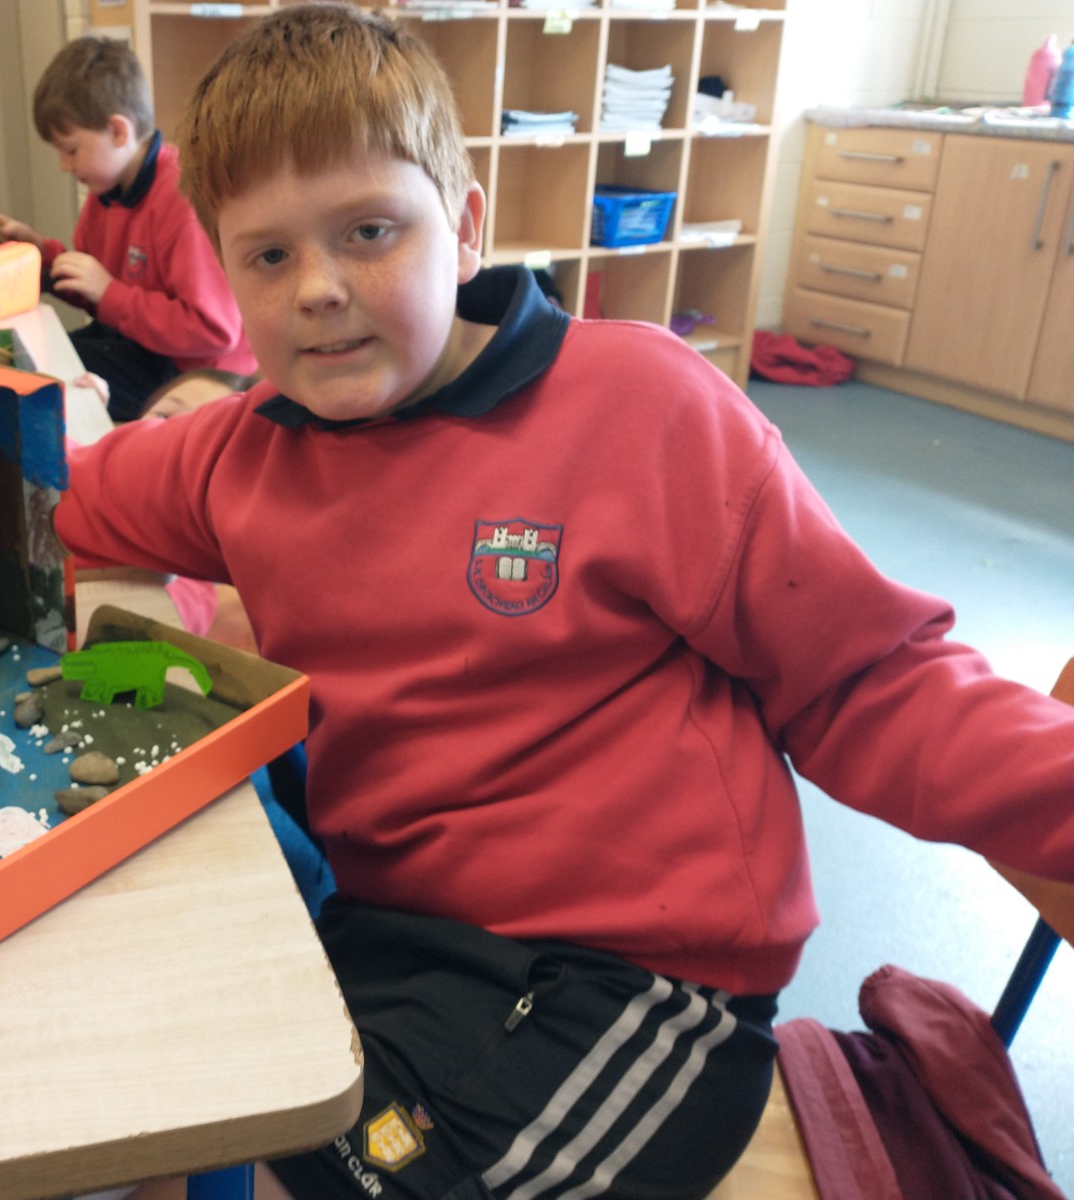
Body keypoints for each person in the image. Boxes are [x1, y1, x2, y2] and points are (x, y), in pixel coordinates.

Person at [56, 7, 1074, 1200]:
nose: (318, 289)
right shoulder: (241, 452)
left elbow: (866, 680)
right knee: (161, 1137)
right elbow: (79, 501)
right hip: (396, 940)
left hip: (627, 985)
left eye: (369, 231)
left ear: (464, 226)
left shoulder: (641, 406)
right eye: (267, 257)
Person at [0, 36, 255, 423]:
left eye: (70, 149)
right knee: (32, 357)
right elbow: (98, 291)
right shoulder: (106, 191)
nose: (64, 165)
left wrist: (109, 293)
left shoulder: (182, 197)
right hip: (142, 343)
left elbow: (213, 332)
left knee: (49, 381)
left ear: (119, 131)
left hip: (194, 370)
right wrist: (42, 254)